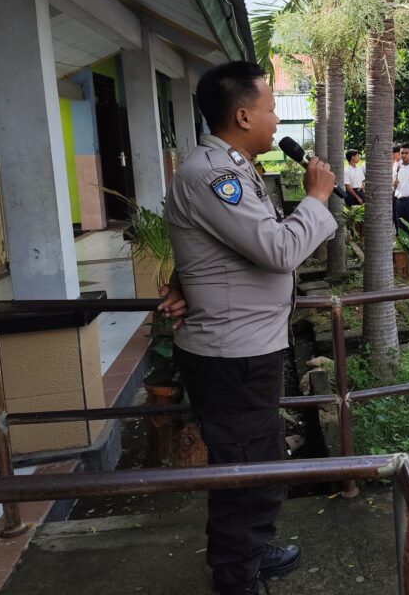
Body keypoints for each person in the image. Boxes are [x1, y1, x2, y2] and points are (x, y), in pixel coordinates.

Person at [164, 61, 337, 595]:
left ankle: (251, 551)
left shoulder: (230, 168)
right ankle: (237, 578)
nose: (275, 117)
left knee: (255, 461)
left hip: (247, 345)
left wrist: (183, 277)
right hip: (231, 354)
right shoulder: (214, 174)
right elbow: (278, 249)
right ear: (242, 114)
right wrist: (317, 198)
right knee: (245, 470)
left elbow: (214, 246)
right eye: (269, 107)